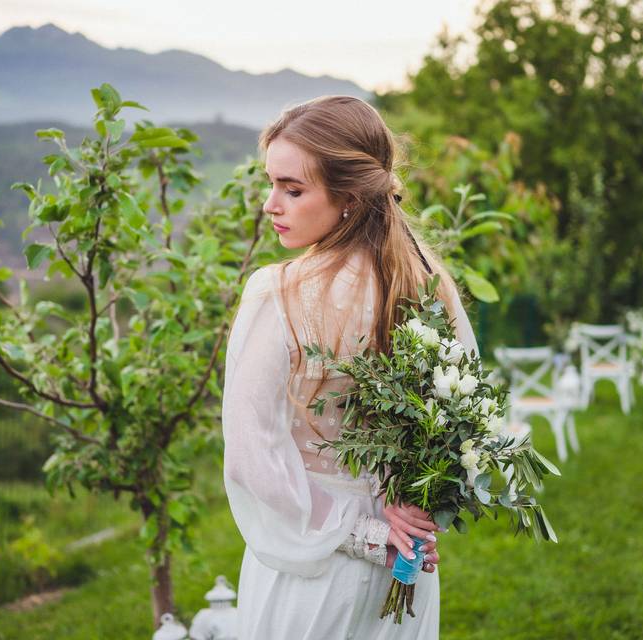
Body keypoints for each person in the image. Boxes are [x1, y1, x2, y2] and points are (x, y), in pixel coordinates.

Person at [221, 95, 480, 639]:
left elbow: (251, 455)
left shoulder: (280, 292)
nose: (271, 204)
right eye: (271, 185)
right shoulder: (431, 284)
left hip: (314, 563)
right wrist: (416, 504)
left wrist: (361, 529)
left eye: (292, 189)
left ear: (349, 198)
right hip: (405, 562)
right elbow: (465, 419)